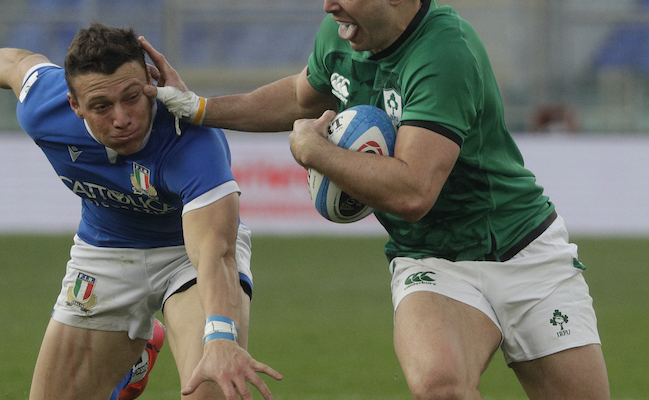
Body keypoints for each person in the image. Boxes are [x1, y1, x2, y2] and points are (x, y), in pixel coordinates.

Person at [143, 0, 611, 399]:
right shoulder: (343, 33)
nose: (328, 6)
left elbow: (412, 192)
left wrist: (315, 151)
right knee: (439, 385)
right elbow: (300, 96)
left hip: (523, 250)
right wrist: (200, 107)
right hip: (429, 256)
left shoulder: (445, 51)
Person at [0, 18, 282, 400]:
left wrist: (222, 338)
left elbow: (216, 252)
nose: (122, 118)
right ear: (73, 105)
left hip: (188, 256)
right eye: (101, 106)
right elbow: (15, 63)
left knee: (210, 388)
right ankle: (134, 359)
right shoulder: (45, 106)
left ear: (151, 84)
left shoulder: (191, 139)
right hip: (105, 252)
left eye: (132, 97)